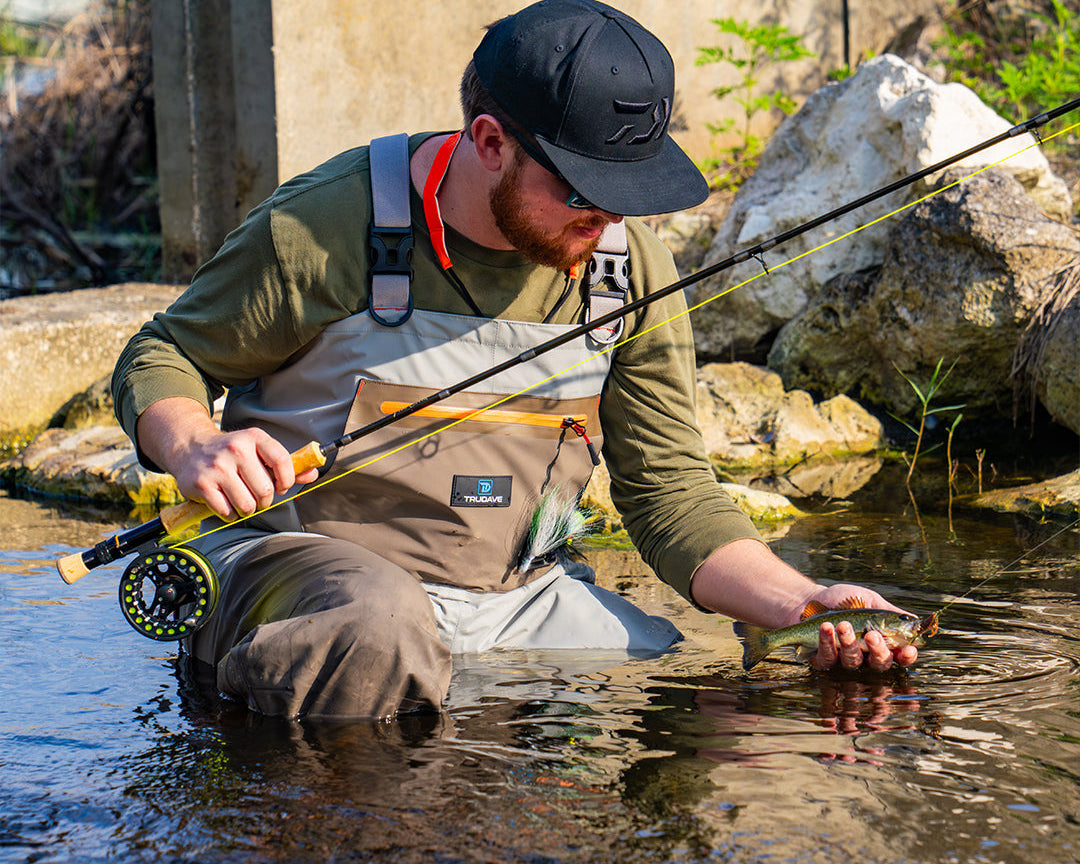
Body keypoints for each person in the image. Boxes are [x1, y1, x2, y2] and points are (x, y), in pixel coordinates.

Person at [113, 0, 918, 720]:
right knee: (379, 627)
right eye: (581, 193)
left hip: (508, 602)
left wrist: (803, 603)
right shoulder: (321, 228)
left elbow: (669, 490)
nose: (606, 224)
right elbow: (165, 353)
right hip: (289, 575)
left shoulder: (632, 267)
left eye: (626, 195)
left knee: (673, 683)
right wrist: (193, 442)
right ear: (489, 142)